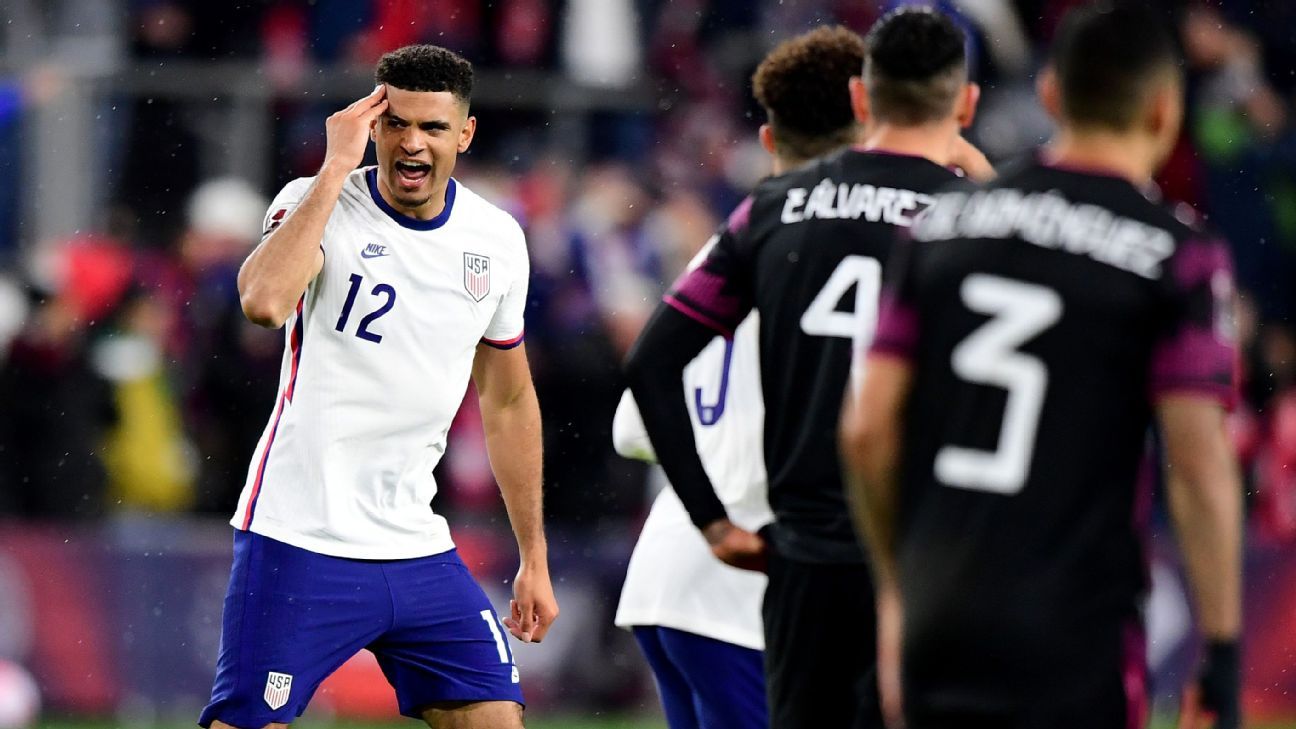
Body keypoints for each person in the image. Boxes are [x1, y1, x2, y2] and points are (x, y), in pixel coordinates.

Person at [841, 5, 1243, 729]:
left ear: (1051, 95)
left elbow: (867, 428)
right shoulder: (1177, 255)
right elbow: (1199, 463)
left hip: (941, 611)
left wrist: (900, 590)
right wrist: (1220, 650)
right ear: (1164, 110)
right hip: (1074, 626)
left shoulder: (942, 226)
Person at [625, 10, 986, 728]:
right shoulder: (965, 216)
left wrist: (711, 517)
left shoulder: (770, 211)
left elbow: (647, 376)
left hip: (781, 567)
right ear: (966, 104)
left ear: (864, 97)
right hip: (909, 561)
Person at [199, 45, 558, 729]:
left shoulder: (497, 239)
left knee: (494, 719)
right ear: (372, 124)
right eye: (396, 124)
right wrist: (336, 166)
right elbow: (265, 302)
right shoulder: (317, 202)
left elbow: (508, 400)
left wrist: (533, 556)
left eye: (431, 126)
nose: (412, 142)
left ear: (465, 133)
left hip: (417, 542)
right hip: (299, 532)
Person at [611, 28, 865, 729]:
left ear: (769, 138)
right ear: (869, 117)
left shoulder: (731, 247)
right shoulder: (845, 263)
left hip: (668, 569)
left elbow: (631, 426)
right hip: (750, 589)